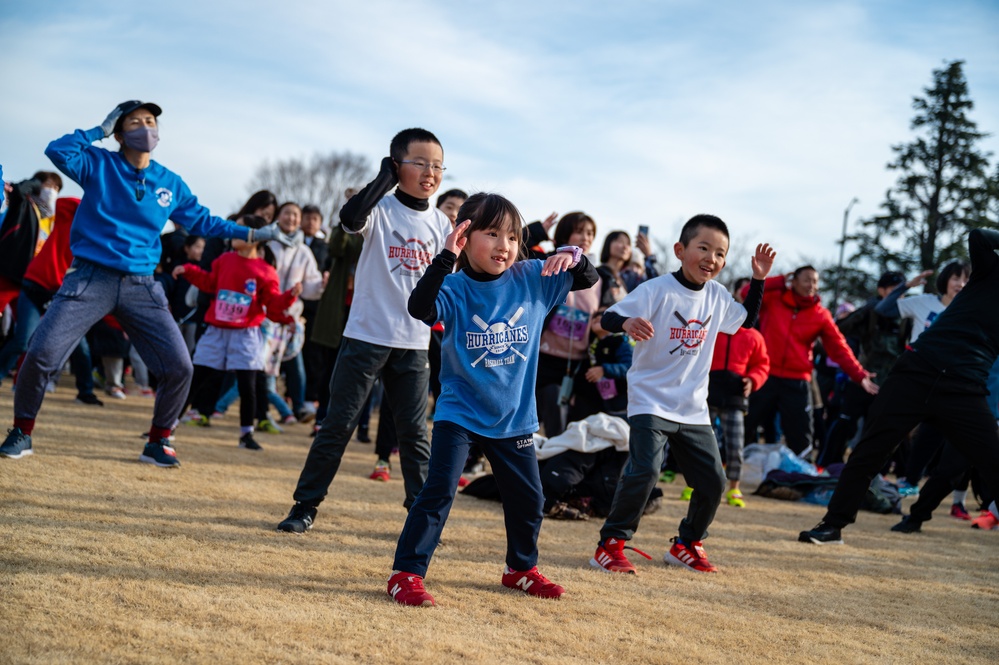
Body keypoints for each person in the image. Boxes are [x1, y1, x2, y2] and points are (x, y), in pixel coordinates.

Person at [0, 100, 287, 465]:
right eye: (135, 121)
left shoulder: (169, 182)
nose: (145, 127)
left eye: (150, 121)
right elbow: (58, 151)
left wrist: (255, 231)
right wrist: (98, 132)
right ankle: (22, 432)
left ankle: (159, 440)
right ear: (119, 133)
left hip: (142, 285)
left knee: (179, 366)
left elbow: (205, 222)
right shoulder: (99, 164)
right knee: (40, 353)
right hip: (90, 277)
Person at [387, 192, 598, 606]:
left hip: (514, 416)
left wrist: (573, 254)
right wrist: (446, 257)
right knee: (439, 490)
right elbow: (419, 307)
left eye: (513, 236)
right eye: (492, 234)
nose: (505, 245)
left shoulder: (533, 277)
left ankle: (520, 568)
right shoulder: (456, 285)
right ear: (464, 236)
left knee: (530, 498)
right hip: (460, 411)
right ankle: (406, 573)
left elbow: (587, 279)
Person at [276, 128, 453, 532]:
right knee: (337, 426)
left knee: (414, 435)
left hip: (413, 343)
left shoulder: (442, 223)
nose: (430, 172)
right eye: (420, 163)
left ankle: (421, 520)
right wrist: (382, 181)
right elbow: (350, 219)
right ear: (396, 166)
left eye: (438, 165)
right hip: (366, 338)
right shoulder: (381, 208)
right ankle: (304, 507)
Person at [590, 214, 775, 574]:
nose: (712, 258)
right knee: (645, 472)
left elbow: (747, 322)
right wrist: (627, 322)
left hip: (692, 408)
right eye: (703, 248)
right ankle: (610, 544)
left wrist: (758, 279)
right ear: (680, 250)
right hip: (649, 401)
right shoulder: (656, 289)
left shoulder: (719, 296)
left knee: (713, 481)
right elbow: (609, 318)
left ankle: (687, 543)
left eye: (720, 253)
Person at [799, 228, 999, 544]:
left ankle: (918, 512)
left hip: (965, 387)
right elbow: (979, 236)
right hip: (917, 371)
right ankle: (832, 525)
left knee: (991, 458)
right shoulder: (991, 272)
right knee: (870, 450)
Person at [174, 215, 300, 451]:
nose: (233, 232)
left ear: (256, 237)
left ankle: (246, 435)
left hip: (246, 334)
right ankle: (168, 425)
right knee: (196, 378)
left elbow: (272, 305)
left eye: (240, 229)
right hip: (216, 331)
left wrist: (290, 296)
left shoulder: (266, 271)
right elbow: (211, 283)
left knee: (248, 386)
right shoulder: (224, 260)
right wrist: (189, 270)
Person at [744, 265, 878, 457]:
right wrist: (779, 279)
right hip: (764, 375)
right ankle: (725, 470)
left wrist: (859, 374)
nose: (811, 285)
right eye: (807, 279)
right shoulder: (773, 299)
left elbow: (839, 347)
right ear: (794, 281)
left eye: (815, 281)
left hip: (797, 380)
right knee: (745, 424)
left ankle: (801, 478)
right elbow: (745, 293)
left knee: (801, 435)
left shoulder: (820, 315)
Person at [0, 197, 103, 405]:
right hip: (34, 286)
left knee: (80, 346)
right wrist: (95, 202)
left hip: (62, 296)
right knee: (22, 341)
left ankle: (85, 392)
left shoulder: (98, 243)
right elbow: (64, 202)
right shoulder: (68, 221)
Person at [816, 271, 908, 469]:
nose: (898, 296)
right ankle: (827, 464)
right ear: (881, 290)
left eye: (901, 291)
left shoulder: (907, 314)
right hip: (862, 378)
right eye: (893, 290)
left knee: (880, 430)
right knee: (844, 424)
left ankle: (874, 472)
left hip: (889, 382)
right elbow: (837, 330)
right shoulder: (870, 311)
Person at [536, 212, 602, 438]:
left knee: (574, 424)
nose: (586, 237)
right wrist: (538, 231)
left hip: (578, 364)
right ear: (565, 234)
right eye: (580, 231)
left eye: (591, 233)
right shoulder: (546, 263)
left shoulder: (599, 276)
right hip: (542, 358)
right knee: (544, 417)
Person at [707, 279, 770, 508]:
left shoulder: (754, 336)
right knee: (704, 442)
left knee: (735, 443)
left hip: (735, 396)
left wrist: (753, 380)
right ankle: (696, 484)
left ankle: (734, 487)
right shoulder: (711, 326)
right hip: (708, 390)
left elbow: (762, 365)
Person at [0, 171, 63, 315]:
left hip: (30, 282)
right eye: (49, 185)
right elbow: (18, 190)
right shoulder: (23, 205)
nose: (52, 191)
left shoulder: (51, 220)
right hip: (9, 272)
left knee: (20, 331)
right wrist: (35, 181)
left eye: (56, 188)